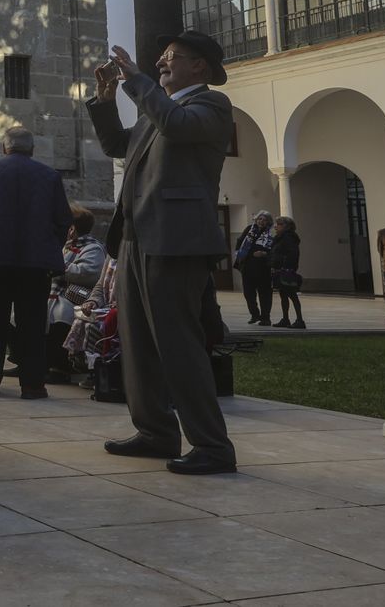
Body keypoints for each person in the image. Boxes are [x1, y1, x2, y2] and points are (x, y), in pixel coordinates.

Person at [87, 30, 237, 476]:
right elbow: (117, 146)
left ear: (199, 66)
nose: (161, 62)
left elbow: (177, 125)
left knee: (177, 344)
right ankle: (155, 431)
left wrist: (136, 81)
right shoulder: (160, 110)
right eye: (162, 56)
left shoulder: (210, 105)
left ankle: (212, 445)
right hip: (136, 239)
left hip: (176, 242)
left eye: (172, 56)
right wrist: (105, 101)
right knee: (136, 343)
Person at [0, 126, 72, 400]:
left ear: (4, 147)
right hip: (34, 263)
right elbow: (63, 219)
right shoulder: (49, 176)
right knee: (33, 324)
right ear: (32, 149)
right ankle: (32, 384)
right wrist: (49, 246)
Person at [48, 204, 107, 381]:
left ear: (72, 229)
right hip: (53, 294)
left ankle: (61, 368)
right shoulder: (62, 245)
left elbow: (88, 272)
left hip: (71, 298)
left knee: (60, 318)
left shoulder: (93, 248)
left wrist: (57, 266)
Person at [234, 210, 276, 325]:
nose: (261, 221)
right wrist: (239, 254)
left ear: (268, 222)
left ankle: (265, 318)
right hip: (248, 267)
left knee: (265, 294)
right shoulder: (249, 229)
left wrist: (264, 254)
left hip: (264, 268)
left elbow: (275, 250)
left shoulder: (271, 233)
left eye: (265, 220)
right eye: (260, 219)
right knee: (248, 293)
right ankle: (254, 314)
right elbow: (239, 241)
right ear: (256, 220)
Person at [269, 216, 306, 329]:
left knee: (292, 295)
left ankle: (300, 320)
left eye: (279, 224)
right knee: (283, 295)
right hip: (279, 269)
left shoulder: (288, 237)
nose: (275, 226)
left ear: (286, 226)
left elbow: (292, 254)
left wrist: (286, 267)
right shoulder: (279, 238)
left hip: (286, 270)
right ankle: (285, 318)